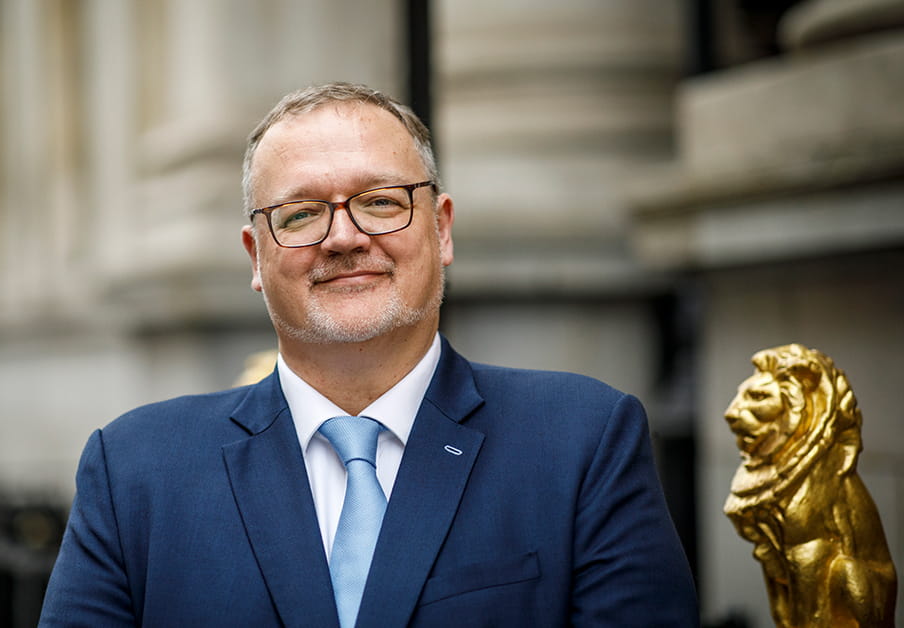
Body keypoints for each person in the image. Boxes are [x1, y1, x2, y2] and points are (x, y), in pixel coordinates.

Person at [39, 82, 699, 627]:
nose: (345, 236)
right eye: (299, 214)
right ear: (255, 257)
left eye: (381, 202)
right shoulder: (135, 471)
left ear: (441, 229)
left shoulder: (581, 441)